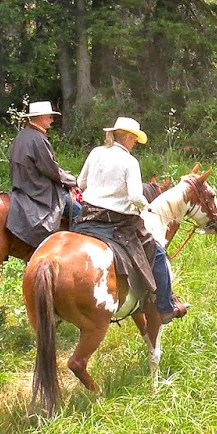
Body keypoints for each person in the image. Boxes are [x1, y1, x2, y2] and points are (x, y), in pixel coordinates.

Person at [74, 116, 189, 324]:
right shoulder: (129, 161)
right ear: (127, 137)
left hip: (87, 216)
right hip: (117, 221)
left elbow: (80, 183)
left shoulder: (96, 152)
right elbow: (135, 196)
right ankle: (165, 308)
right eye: (135, 139)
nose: (135, 143)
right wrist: (147, 207)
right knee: (158, 254)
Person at [6, 100, 79, 249]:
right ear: (41, 117)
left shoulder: (22, 136)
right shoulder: (38, 139)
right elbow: (51, 170)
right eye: (50, 117)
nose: (52, 120)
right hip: (39, 189)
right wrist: (72, 181)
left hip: (23, 187)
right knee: (78, 211)